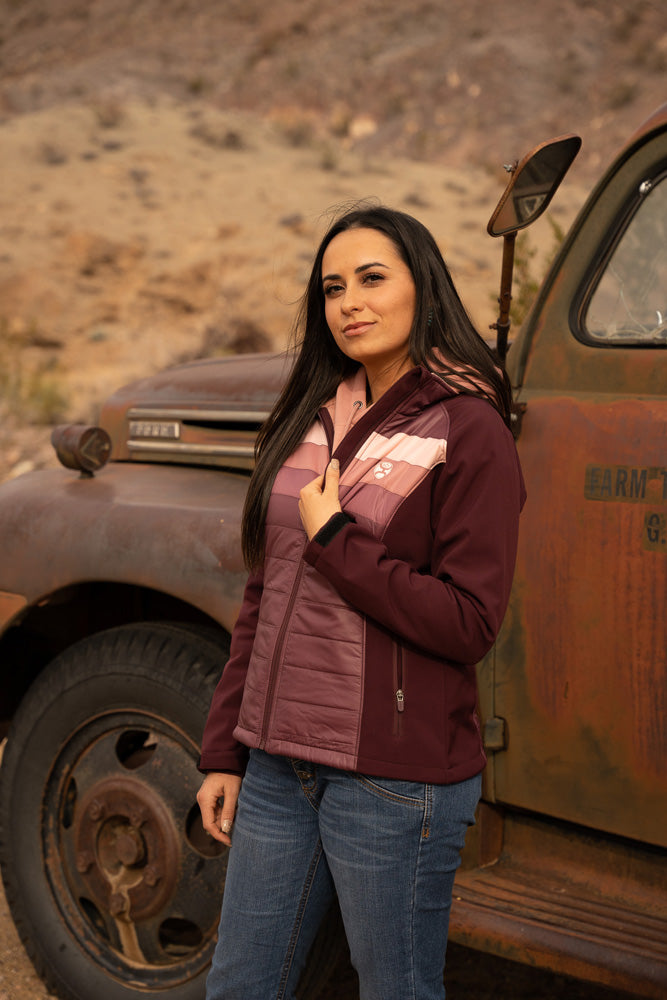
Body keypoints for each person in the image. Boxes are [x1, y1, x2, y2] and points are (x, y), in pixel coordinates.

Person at [197, 203, 526, 1000]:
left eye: (373, 279)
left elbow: (467, 621)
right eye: (332, 287)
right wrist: (224, 749)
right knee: (239, 987)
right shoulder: (313, 413)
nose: (349, 302)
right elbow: (264, 591)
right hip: (277, 766)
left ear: (423, 286)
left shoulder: (468, 427)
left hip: (391, 780)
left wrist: (339, 539)